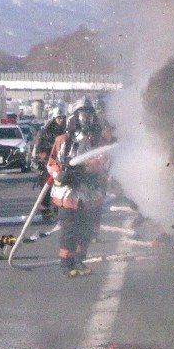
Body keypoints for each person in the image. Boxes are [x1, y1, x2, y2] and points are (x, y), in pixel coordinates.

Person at [50, 98, 112, 276]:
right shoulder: (63, 141)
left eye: (89, 114)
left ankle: (79, 261)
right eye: (82, 114)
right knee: (69, 231)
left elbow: (104, 161)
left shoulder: (97, 141)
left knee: (86, 230)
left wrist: (87, 169)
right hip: (68, 195)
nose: (86, 118)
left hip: (89, 194)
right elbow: (52, 163)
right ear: (75, 116)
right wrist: (58, 174)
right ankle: (66, 264)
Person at [31, 104, 67, 217]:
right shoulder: (45, 132)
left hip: (63, 163)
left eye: (63, 118)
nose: (61, 120)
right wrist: (42, 158)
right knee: (46, 187)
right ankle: (45, 210)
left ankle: (59, 209)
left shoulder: (67, 130)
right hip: (48, 163)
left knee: (64, 186)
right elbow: (38, 150)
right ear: (54, 118)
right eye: (59, 118)